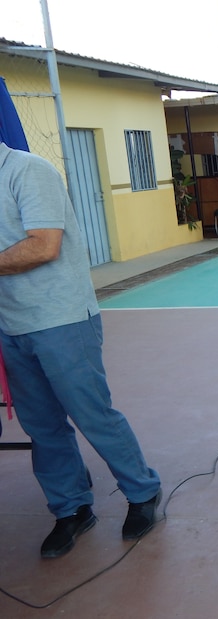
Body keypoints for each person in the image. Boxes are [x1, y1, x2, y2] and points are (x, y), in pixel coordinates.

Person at [0, 142, 161, 558]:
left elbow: (43, 245)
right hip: (11, 324)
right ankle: (71, 508)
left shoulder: (27, 171)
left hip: (61, 319)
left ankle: (142, 492)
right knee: (42, 426)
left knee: (91, 413)